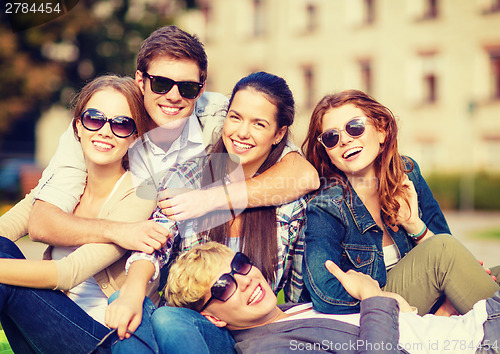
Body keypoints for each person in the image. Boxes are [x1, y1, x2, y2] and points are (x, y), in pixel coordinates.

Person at [0, 25, 318, 254]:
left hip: (137, 280)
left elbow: (303, 174)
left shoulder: (223, 116)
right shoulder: (101, 121)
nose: (174, 96)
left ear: (202, 87)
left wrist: (213, 198)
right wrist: (122, 232)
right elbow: (40, 216)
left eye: (188, 87)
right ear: (140, 79)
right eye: (161, 83)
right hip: (86, 261)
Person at [105, 72, 307, 353]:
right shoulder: (189, 175)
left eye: (259, 124)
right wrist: (132, 290)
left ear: (279, 134)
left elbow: (298, 294)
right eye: (235, 117)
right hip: (183, 328)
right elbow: (155, 241)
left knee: (165, 318)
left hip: (251, 340)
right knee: (127, 303)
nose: (242, 132)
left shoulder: (289, 201)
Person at [300, 89, 500, 315]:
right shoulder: (326, 207)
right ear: (327, 152)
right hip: (378, 310)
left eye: (354, 127)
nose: (345, 139)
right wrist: (389, 301)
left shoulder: (407, 173)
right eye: (331, 137)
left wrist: (414, 225)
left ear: (381, 130)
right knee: (443, 251)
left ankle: (450, 318)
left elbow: (446, 246)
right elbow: (324, 295)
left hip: (425, 293)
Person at [0, 75, 160, 353]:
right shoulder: (67, 184)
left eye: (122, 124)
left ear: (135, 137)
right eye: (95, 119)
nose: (105, 131)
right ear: (78, 126)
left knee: (7, 286)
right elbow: (8, 227)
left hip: (100, 340)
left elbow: (68, 272)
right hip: (49, 326)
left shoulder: (139, 193)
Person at [162, 242, 500, 354]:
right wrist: (372, 297)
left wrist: (435, 315)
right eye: (223, 286)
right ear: (214, 318)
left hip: (469, 326)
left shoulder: (292, 310)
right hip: (479, 341)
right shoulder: (269, 348)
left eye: (240, 264)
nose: (245, 279)